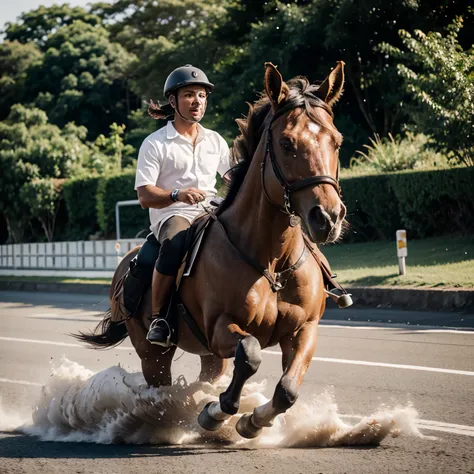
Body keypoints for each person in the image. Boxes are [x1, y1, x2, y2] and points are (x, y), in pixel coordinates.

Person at [115, 64, 230, 347]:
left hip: (212, 210)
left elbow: (232, 176)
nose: (197, 101)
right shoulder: (154, 144)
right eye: (189, 94)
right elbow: (145, 195)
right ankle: (159, 318)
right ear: (173, 101)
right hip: (173, 214)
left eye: (202, 95)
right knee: (177, 242)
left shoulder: (215, 140)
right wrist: (177, 194)